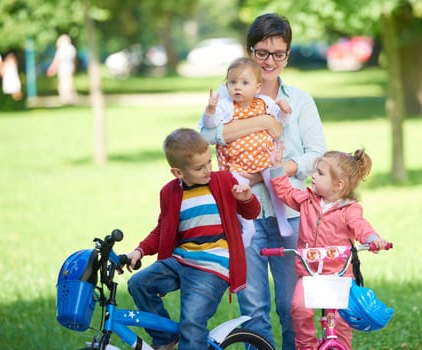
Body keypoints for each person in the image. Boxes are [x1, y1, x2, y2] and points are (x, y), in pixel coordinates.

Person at [200, 13, 327, 349]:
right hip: (244, 216)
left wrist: (275, 171)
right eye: (262, 52)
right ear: (249, 50)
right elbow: (207, 136)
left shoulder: (299, 100)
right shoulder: (228, 98)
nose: (270, 61)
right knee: (253, 308)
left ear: (287, 54)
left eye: (279, 53)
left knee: (291, 307)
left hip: (291, 213)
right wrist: (262, 122)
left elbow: (317, 154)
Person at [124, 128, 261, 350]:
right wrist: (139, 251)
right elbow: (162, 229)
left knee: (192, 323)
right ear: (178, 173)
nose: (208, 169)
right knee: (139, 284)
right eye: (200, 167)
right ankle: (166, 340)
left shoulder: (224, 181)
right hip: (181, 261)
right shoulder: (169, 193)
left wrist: (246, 199)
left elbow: (252, 212)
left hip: (212, 265)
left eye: (209, 162)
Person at [269, 143, 390, 349]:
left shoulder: (349, 209)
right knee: (299, 308)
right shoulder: (307, 199)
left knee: (341, 321)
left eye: (320, 173)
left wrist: (372, 239)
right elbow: (285, 191)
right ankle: (306, 345)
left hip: (339, 276)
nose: (313, 175)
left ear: (339, 185)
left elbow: (360, 226)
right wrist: (277, 166)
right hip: (310, 274)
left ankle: (340, 346)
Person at [200, 57, 293, 246]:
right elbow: (210, 127)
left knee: (276, 184)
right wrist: (210, 110)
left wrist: (285, 111)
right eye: (232, 82)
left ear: (257, 87)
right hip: (237, 164)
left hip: (264, 159)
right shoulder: (226, 106)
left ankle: (282, 220)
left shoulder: (265, 103)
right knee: (238, 194)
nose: (237, 88)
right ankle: (247, 227)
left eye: (244, 83)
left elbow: (280, 123)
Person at [47, 34, 77, 104]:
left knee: (63, 84)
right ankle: (70, 98)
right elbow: (74, 60)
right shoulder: (71, 48)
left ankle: (65, 98)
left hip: (63, 69)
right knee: (69, 83)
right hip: (69, 68)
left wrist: (52, 69)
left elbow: (57, 61)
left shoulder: (61, 49)